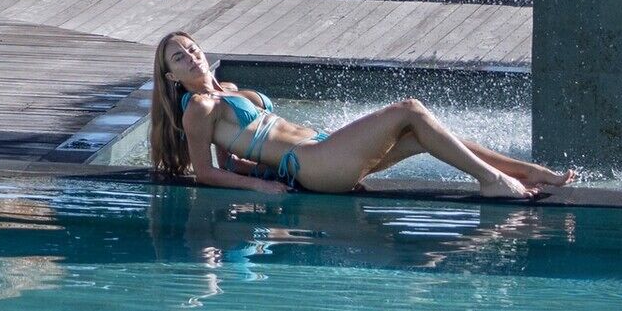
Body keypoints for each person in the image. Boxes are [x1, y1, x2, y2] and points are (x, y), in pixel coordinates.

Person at [150, 31, 567, 199]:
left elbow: (232, 160)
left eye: (191, 48)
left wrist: (262, 172)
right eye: (178, 57)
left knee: (421, 135)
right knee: (409, 110)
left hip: (321, 151)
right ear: (171, 75)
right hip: (314, 164)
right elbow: (205, 172)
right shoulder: (199, 108)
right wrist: (261, 188)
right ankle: (493, 182)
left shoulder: (226, 90)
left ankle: (526, 171)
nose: (190, 56)